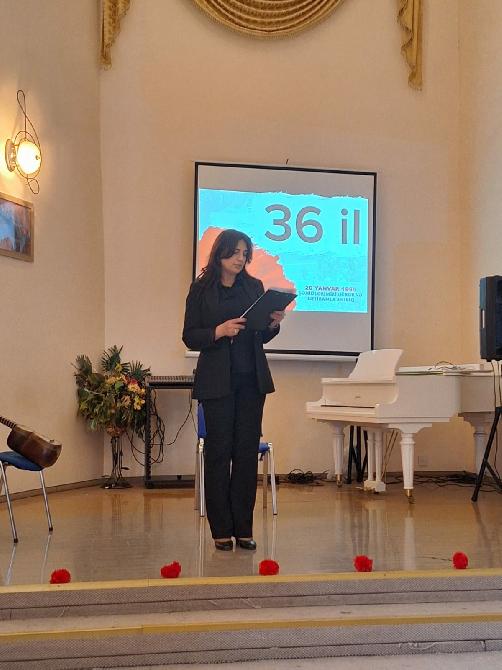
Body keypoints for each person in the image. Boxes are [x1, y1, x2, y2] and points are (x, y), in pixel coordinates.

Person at [182, 229, 284, 551]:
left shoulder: (253, 288)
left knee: (245, 454)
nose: (241, 258)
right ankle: (221, 531)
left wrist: (273, 323)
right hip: (217, 383)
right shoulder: (201, 290)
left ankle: (243, 528)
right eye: (236, 252)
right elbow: (189, 336)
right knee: (218, 453)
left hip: (251, 381)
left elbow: (260, 335)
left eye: (245, 253)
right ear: (221, 253)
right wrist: (219, 331)